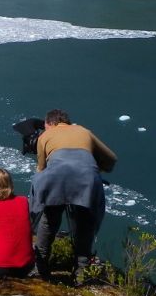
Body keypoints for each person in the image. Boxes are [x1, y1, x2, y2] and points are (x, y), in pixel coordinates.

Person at [30, 109, 117, 282]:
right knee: (84, 222)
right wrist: (92, 167)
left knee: (50, 219)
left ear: (49, 124)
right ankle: (81, 272)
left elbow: (41, 169)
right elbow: (111, 159)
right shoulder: (84, 132)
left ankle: (41, 268)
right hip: (87, 179)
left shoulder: (45, 136)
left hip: (56, 177)